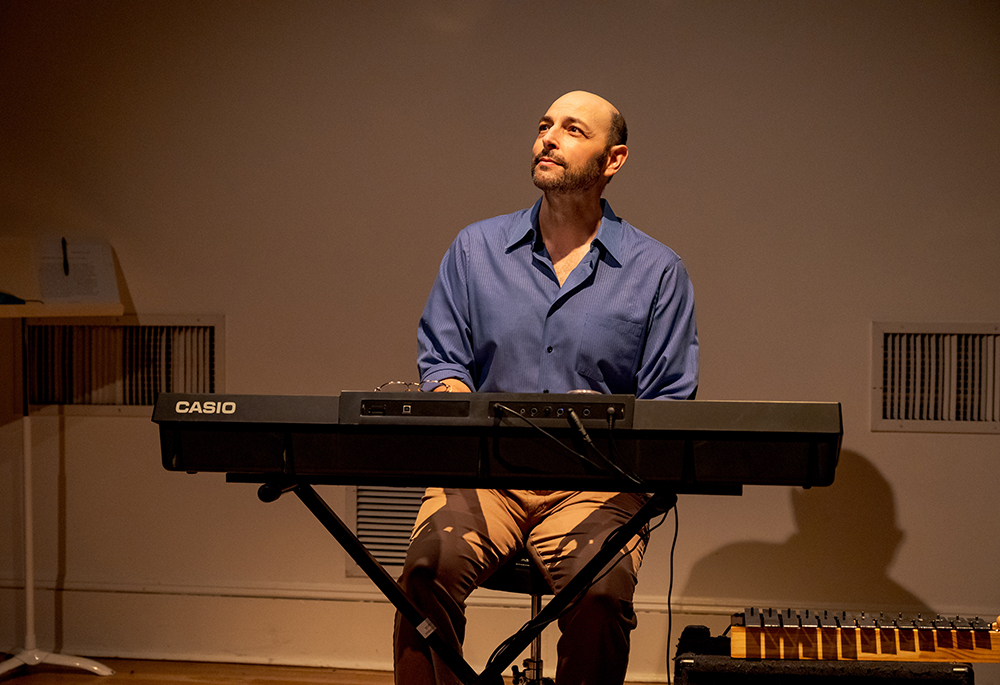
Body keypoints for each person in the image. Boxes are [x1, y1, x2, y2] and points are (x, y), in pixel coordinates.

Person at [393, 91, 699, 685]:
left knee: (602, 594)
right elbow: (443, 358)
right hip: (485, 477)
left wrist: (605, 418)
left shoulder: (657, 270)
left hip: (593, 486)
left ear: (613, 160)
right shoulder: (474, 248)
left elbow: (668, 399)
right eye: (543, 126)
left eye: (572, 130)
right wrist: (452, 388)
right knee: (422, 577)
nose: (549, 138)